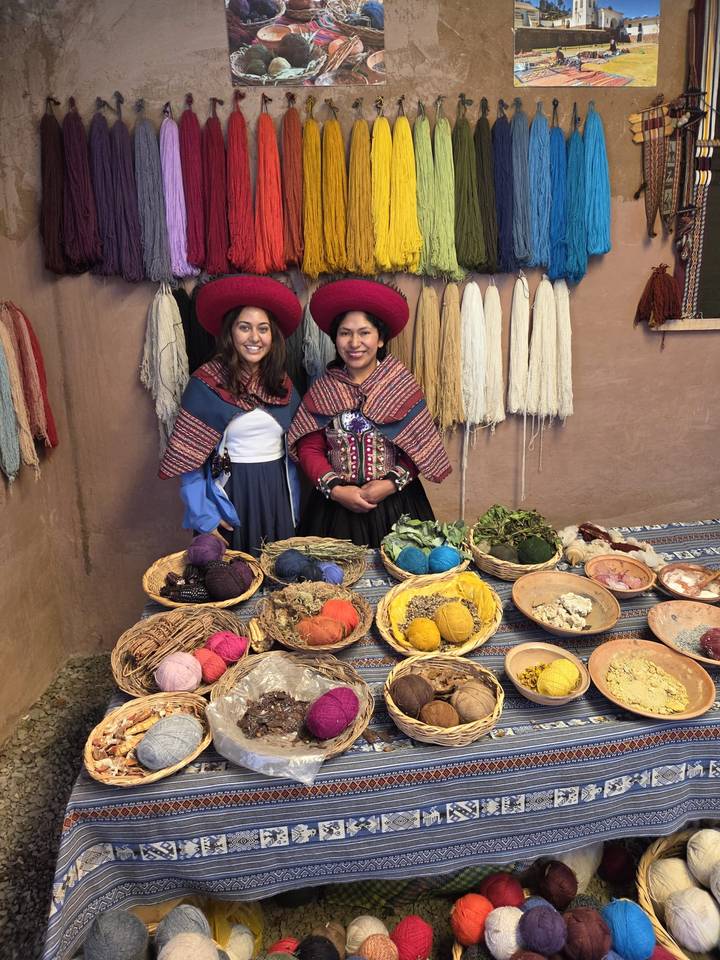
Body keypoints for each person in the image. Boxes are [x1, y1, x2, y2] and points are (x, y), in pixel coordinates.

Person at [288, 278, 451, 547]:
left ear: (381, 338)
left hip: (395, 504)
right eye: (345, 333)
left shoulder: (400, 385)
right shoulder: (324, 389)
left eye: (364, 333)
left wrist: (388, 485)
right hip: (334, 508)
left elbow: (419, 448)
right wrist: (337, 490)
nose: (354, 343)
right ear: (335, 338)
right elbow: (309, 448)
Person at [159, 275, 303, 556]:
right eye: (244, 328)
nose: (254, 338)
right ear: (230, 333)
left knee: (278, 577)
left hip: (277, 495)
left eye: (263, 329)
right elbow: (188, 462)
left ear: (272, 337)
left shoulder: (283, 385)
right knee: (234, 579)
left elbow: (299, 449)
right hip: (232, 495)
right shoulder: (206, 384)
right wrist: (204, 516)